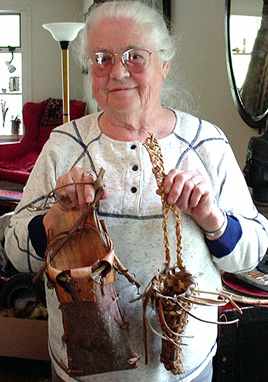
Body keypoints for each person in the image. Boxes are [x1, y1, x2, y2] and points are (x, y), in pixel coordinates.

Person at [4, 1, 268, 381]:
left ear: (165, 64)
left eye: (134, 56)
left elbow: (252, 253)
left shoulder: (206, 144)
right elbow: (16, 253)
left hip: (185, 373)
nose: (118, 71)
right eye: (102, 58)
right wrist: (54, 222)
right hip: (82, 371)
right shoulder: (63, 146)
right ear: (90, 70)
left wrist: (213, 220)